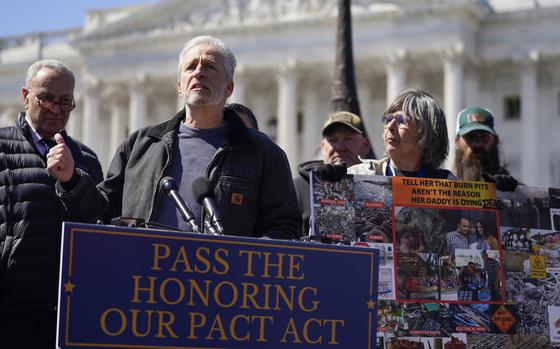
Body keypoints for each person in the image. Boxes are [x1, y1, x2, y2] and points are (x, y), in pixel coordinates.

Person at [50, 35, 301, 239]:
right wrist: (72, 180)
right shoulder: (141, 145)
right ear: (180, 86)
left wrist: (245, 264)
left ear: (229, 88)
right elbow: (103, 211)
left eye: (210, 66)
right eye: (191, 66)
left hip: (226, 287)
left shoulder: (262, 152)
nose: (199, 72)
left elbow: (283, 227)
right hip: (144, 280)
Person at [0, 59, 103, 348]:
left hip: (67, 312)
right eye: (46, 98)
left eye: (65, 101)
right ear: (25, 97)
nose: (56, 109)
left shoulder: (86, 159)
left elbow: (96, 222)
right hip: (10, 310)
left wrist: (72, 181)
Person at [347, 88, 455, 179]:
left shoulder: (449, 187)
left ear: (427, 133)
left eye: (401, 121)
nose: (390, 126)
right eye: (388, 119)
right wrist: (333, 182)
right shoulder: (358, 177)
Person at [294, 111, 370, 235]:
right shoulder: (298, 187)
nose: (340, 147)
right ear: (323, 147)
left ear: (365, 145)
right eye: (332, 140)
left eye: (348, 139)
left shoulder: (377, 186)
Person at [453, 107, 517, 191]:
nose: (478, 144)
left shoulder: (516, 193)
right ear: (457, 141)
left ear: (496, 140)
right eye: (470, 137)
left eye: (484, 137)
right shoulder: (442, 192)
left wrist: (512, 197)